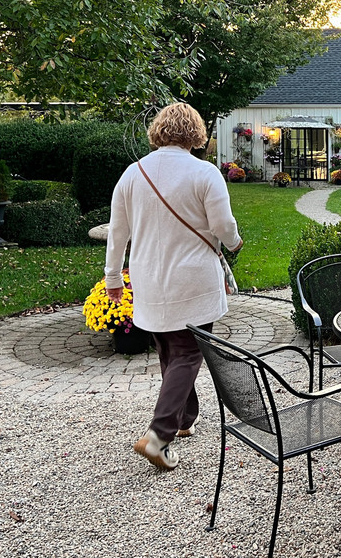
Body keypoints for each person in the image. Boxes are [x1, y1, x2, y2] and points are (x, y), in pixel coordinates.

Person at [104, 103, 243, 471]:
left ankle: (184, 419)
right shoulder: (204, 172)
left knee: (169, 348)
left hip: (149, 278)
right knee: (187, 353)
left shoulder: (132, 175)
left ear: (159, 131)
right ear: (195, 133)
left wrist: (114, 278)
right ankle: (159, 435)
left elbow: (117, 234)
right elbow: (222, 224)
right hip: (193, 278)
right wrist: (234, 243)